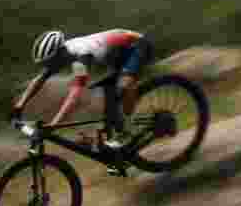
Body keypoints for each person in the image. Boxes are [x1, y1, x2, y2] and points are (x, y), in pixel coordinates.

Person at [11, 29, 154, 174]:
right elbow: (39, 79)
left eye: (49, 62)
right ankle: (119, 138)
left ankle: (129, 128)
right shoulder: (63, 54)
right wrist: (19, 105)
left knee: (123, 86)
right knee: (102, 97)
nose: (47, 66)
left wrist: (54, 124)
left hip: (137, 45)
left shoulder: (80, 55)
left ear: (59, 53)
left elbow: (75, 95)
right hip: (117, 54)